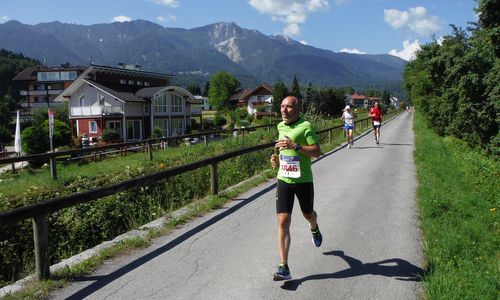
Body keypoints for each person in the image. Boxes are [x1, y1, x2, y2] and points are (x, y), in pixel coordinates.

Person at [270, 96, 322, 281]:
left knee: (308, 214)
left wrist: (296, 146)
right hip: (284, 179)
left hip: (303, 181)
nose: (283, 110)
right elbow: (280, 148)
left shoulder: (306, 126)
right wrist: (276, 159)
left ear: (297, 110)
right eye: (282, 106)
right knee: (283, 221)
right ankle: (284, 266)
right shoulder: (280, 126)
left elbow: (316, 152)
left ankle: (314, 226)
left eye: (288, 107)